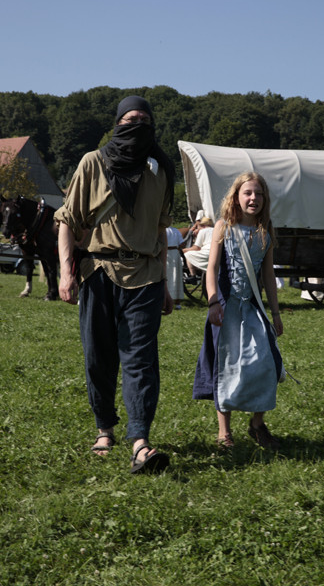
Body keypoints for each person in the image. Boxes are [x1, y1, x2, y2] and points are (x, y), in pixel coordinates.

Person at [55, 95, 175, 474]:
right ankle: (104, 430)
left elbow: (160, 231)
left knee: (141, 360)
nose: (137, 126)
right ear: (117, 124)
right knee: (98, 356)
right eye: (130, 119)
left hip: (146, 276)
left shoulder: (161, 170)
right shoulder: (93, 162)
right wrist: (66, 273)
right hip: (98, 272)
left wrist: (165, 282)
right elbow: (67, 221)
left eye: (145, 121)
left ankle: (140, 442)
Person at [193, 171, 284, 450]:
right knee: (226, 367)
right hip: (226, 309)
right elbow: (211, 269)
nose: (253, 198)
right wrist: (213, 303)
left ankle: (257, 424)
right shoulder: (223, 226)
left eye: (259, 193)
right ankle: (224, 432)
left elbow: (268, 275)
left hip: (253, 309)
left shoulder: (265, 230)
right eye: (248, 193)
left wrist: (276, 314)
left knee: (267, 363)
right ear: (236, 197)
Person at [182, 217, 214, 283]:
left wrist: (184, 250)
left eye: (198, 226)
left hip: (206, 253)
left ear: (202, 225)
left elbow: (196, 248)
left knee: (188, 254)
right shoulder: (215, 230)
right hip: (216, 253)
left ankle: (193, 275)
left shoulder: (203, 231)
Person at [166, 225, 184, 309]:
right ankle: (177, 302)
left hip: (165, 253)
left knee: (166, 276)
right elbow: (182, 244)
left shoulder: (161, 230)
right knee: (176, 276)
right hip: (175, 253)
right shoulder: (176, 231)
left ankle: (166, 299)